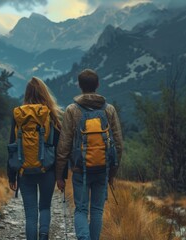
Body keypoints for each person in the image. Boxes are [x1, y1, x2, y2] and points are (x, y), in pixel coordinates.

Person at [55, 69, 123, 240]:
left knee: (81, 209)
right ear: (98, 85)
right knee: (97, 210)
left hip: (79, 168)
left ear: (79, 86)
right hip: (103, 168)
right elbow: (119, 144)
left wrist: (59, 175)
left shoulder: (72, 110)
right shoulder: (110, 110)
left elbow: (64, 145)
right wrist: (112, 173)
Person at [7, 77, 62, 240]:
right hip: (48, 168)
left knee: (30, 215)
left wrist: (11, 175)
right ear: (44, 93)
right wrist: (61, 176)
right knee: (44, 207)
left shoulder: (18, 114)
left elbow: (12, 146)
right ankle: (44, 236)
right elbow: (58, 147)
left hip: (24, 170)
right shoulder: (50, 114)